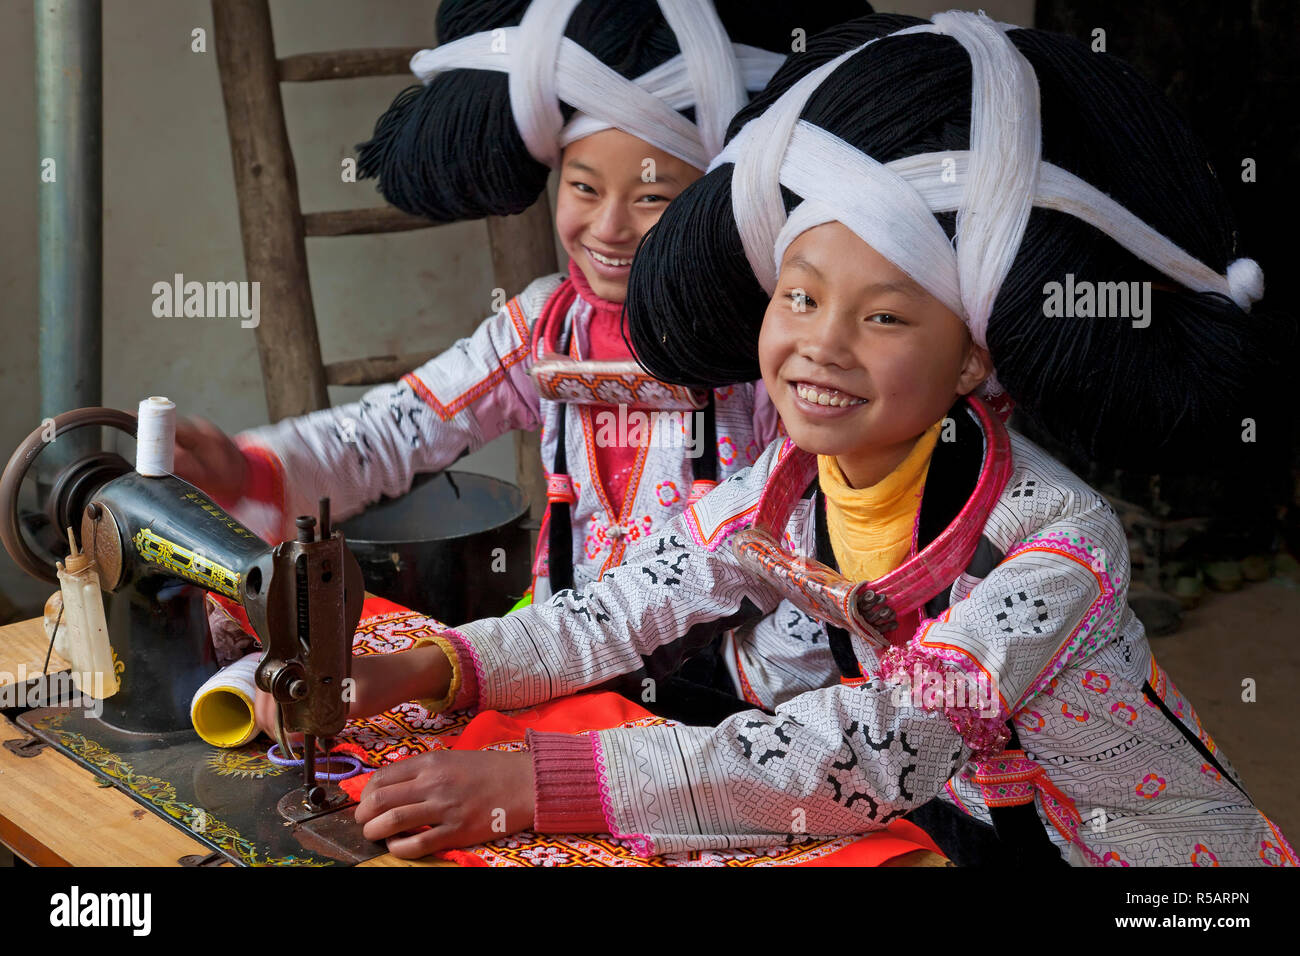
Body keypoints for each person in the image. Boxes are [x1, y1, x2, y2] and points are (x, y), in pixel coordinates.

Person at [298, 11, 1296, 866]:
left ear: (968, 363)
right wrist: (428, 667)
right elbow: (618, 608)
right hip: (961, 832)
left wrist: (534, 781)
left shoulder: (1053, 549)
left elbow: (868, 744)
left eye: (885, 317)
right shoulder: (786, 486)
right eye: (801, 296)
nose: (820, 347)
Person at [172, 0, 860, 616]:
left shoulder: (765, 348)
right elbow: (391, 432)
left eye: (652, 198)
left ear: (715, 206)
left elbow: (812, 540)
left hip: (722, 689)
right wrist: (248, 470)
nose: (609, 228)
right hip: (558, 660)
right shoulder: (542, 327)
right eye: (584, 188)